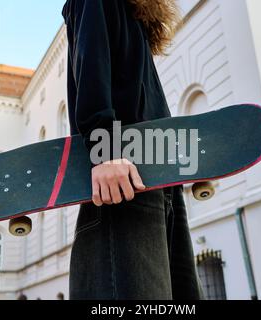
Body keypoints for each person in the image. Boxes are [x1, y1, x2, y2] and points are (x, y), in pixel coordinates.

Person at [61, 0, 203, 300]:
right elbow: (91, 62)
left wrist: (182, 165)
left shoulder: (133, 14)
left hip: (161, 180)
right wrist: (106, 150)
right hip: (122, 177)